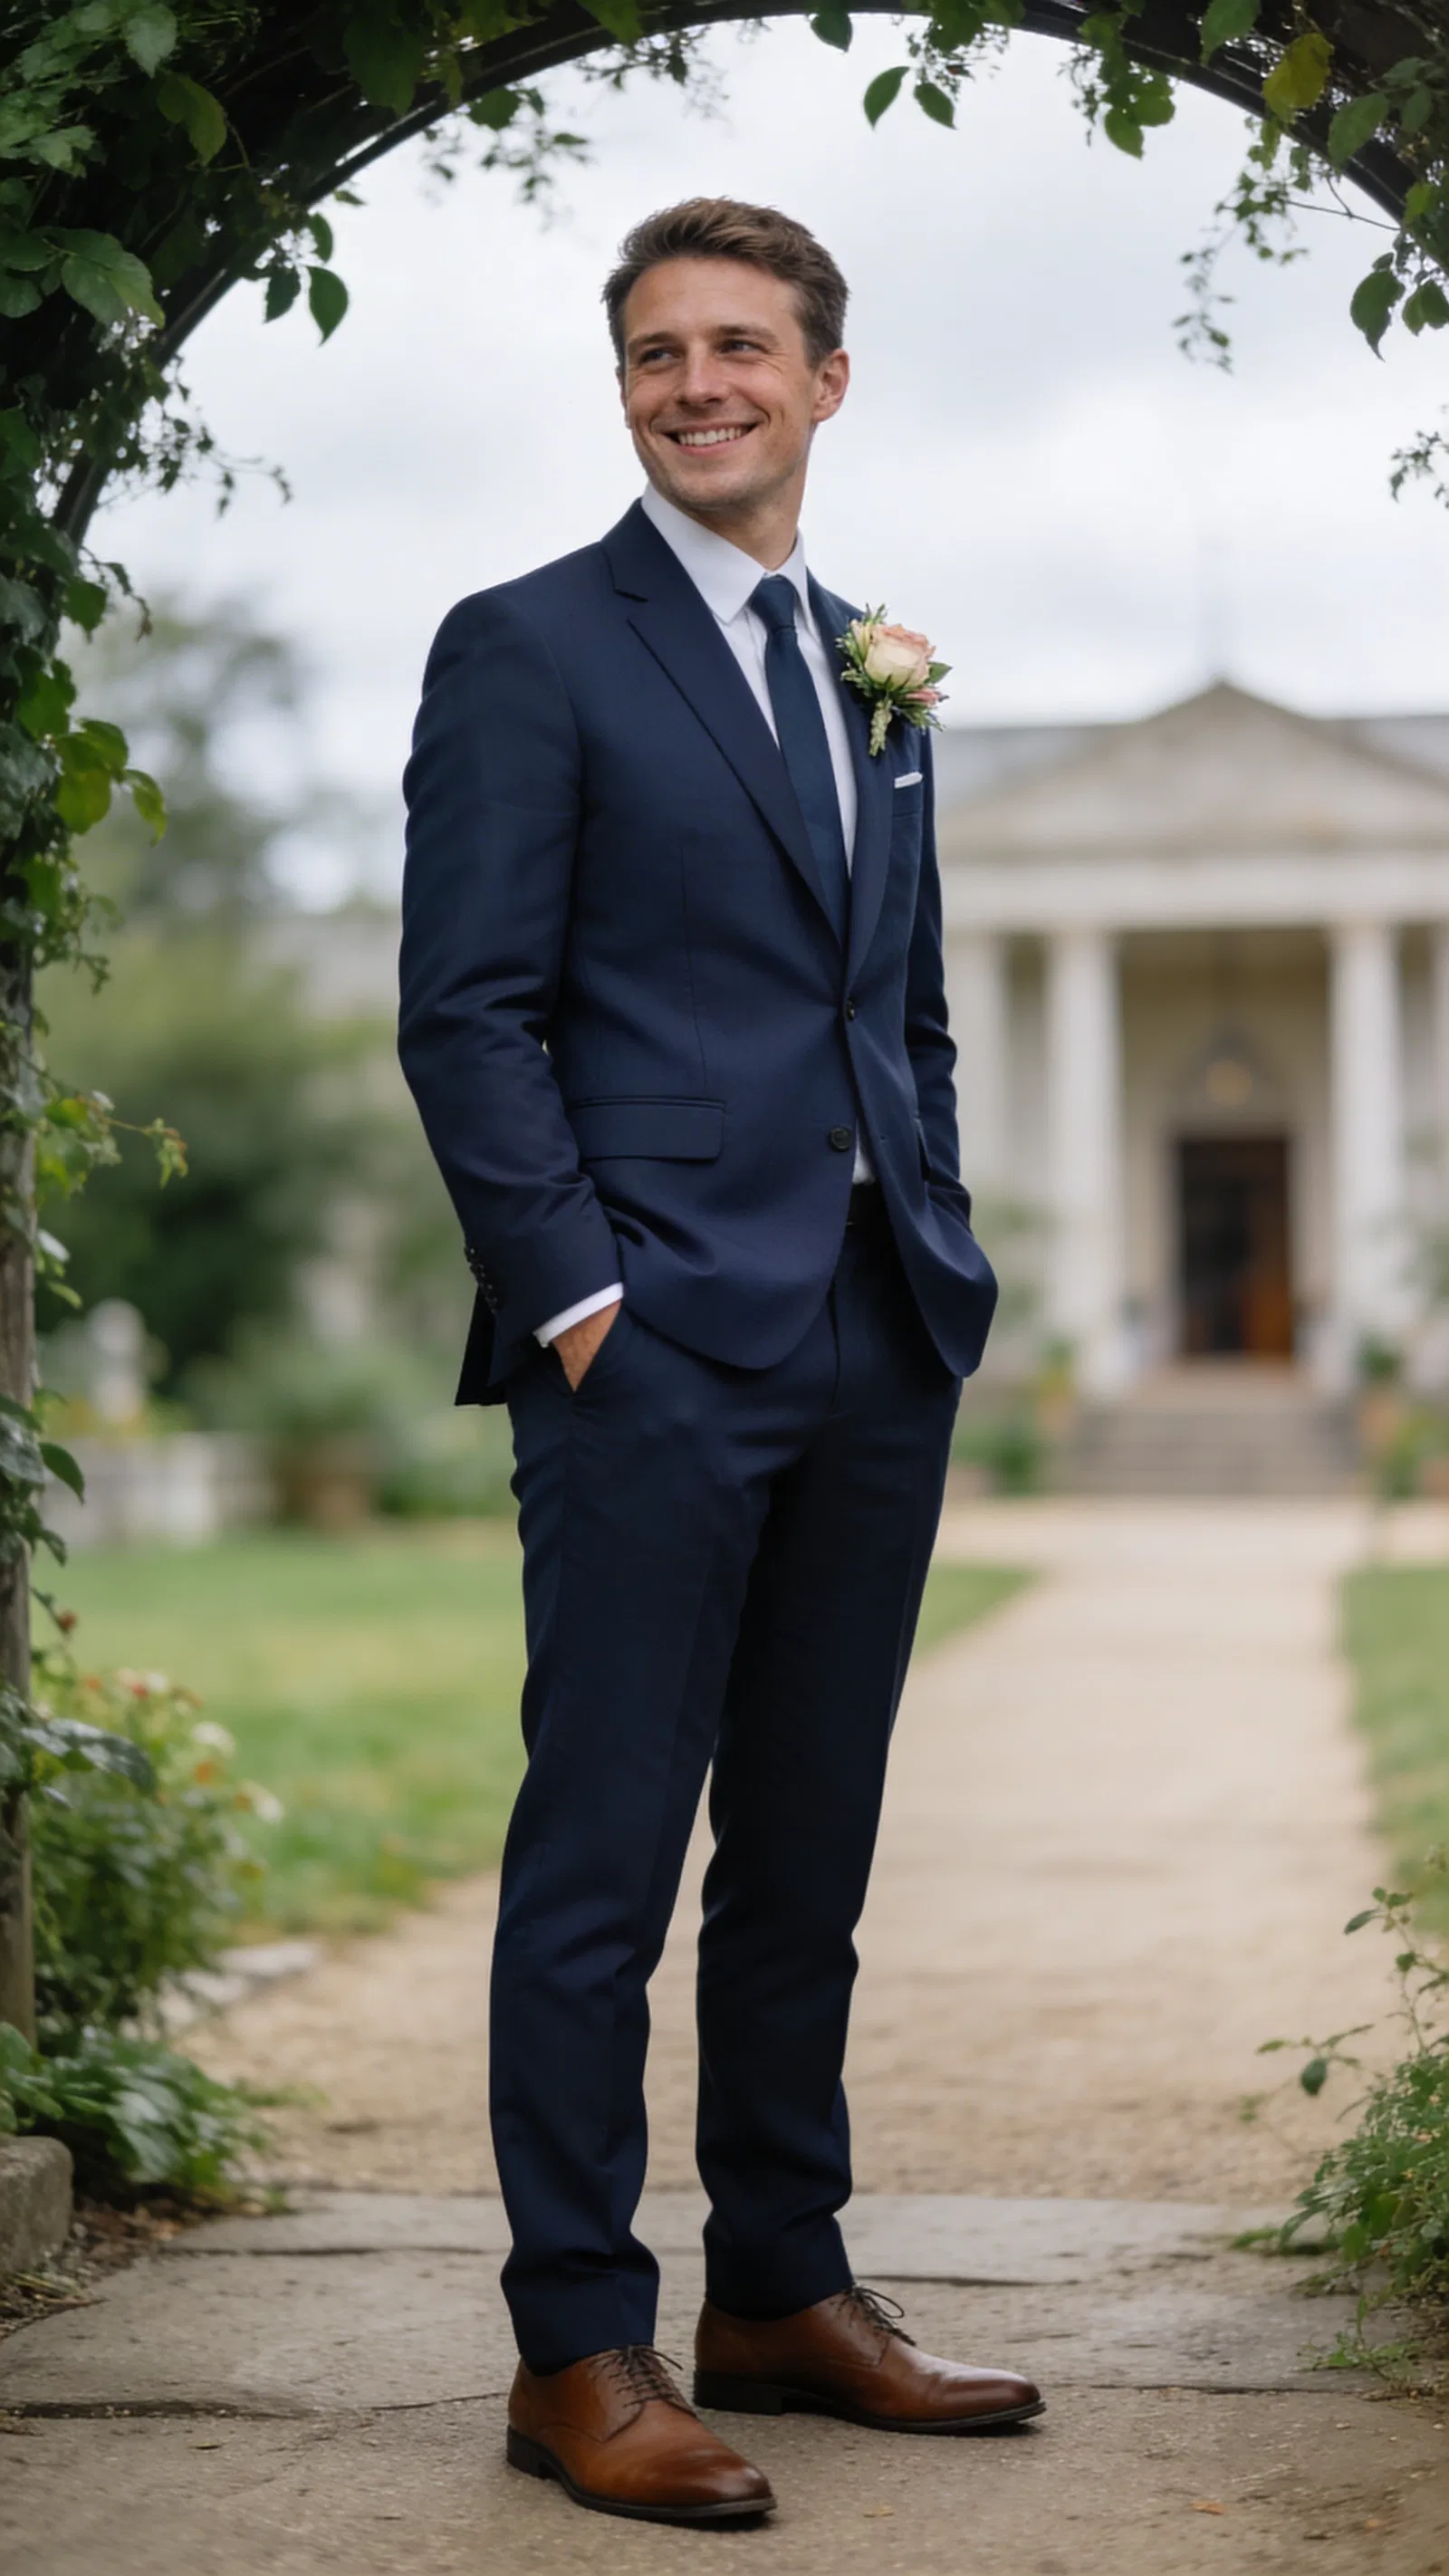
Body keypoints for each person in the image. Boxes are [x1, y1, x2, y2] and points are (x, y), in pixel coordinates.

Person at [398, 196, 1043, 2530]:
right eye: (661, 352)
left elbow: (907, 1007)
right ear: (627, 387)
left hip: (878, 1337)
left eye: (745, 347)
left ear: (824, 381)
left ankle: (782, 2281)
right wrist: (582, 1300)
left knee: (809, 1851)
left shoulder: (871, 668)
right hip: (647, 1345)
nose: (702, 385)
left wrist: (934, 1241)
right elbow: (467, 1014)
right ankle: (578, 2339)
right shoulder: (526, 648)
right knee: (601, 1860)